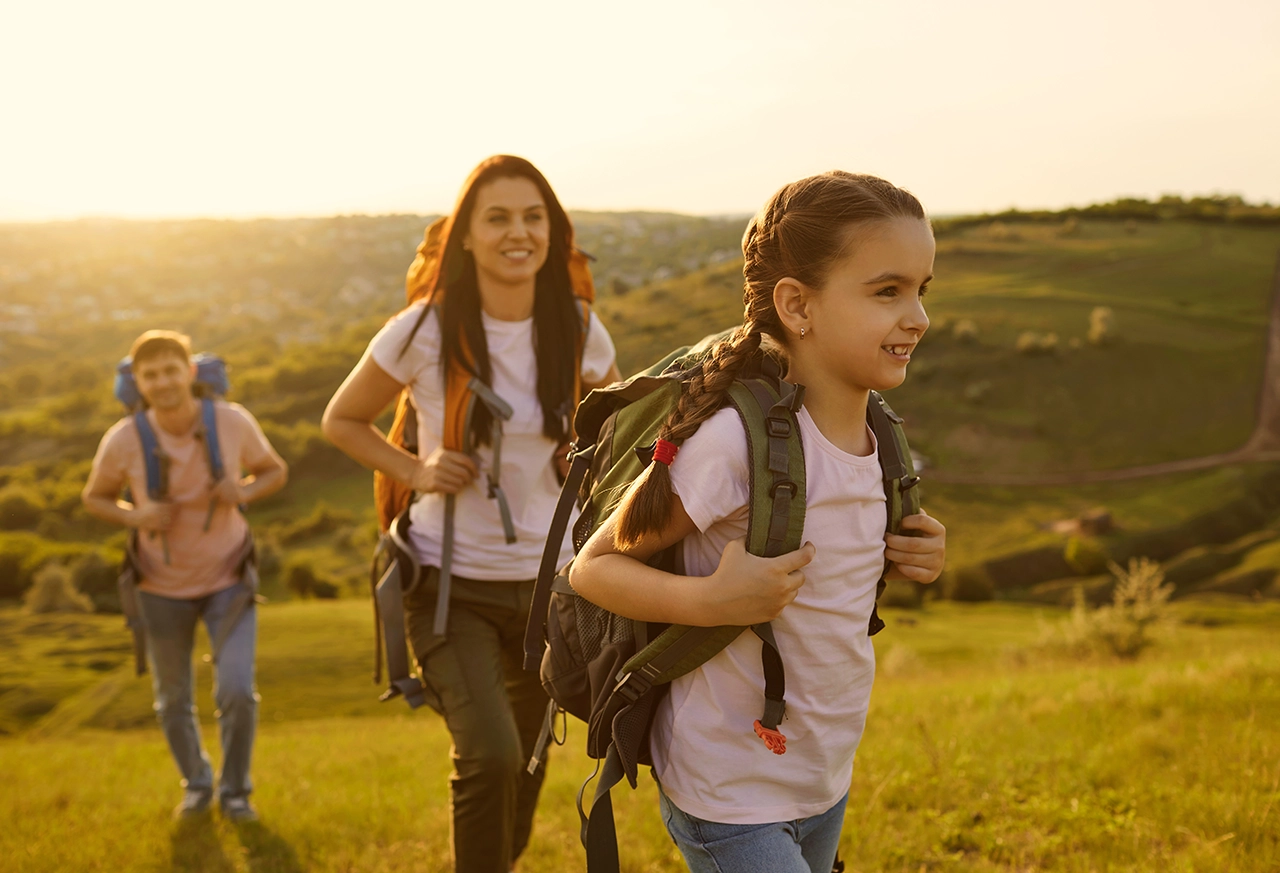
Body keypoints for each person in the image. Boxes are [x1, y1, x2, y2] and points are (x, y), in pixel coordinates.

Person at [568, 171, 948, 873]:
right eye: (887, 290)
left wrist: (911, 552)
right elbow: (592, 567)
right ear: (797, 305)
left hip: (821, 774)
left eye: (922, 289)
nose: (917, 316)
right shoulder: (733, 445)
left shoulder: (880, 435)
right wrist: (711, 601)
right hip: (729, 788)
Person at [322, 155, 620, 873]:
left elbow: (623, 433)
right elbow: (343, 419)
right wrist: (417, 467)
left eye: (532, 217)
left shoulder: (578, 325)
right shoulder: (424, 327)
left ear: (554, 231)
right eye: (498, 218)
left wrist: (583, 455)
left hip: (552, 591)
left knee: (520, 766)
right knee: (488, 756)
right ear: (465, 237)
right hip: (449, 584)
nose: (518, 232)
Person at [81, 329, 288, 822]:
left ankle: (235, 791)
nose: (163, 381)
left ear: (189, 372)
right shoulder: (124, 438)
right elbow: (95, 496)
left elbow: (274, 470)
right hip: (157, 587)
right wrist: (136, 515)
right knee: (172, 701)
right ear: (139, 381)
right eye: (150, 375)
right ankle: (197, 784)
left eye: (170, 370)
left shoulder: (232, 422)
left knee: (236, 690)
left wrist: (244, 491)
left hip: (229, 579)